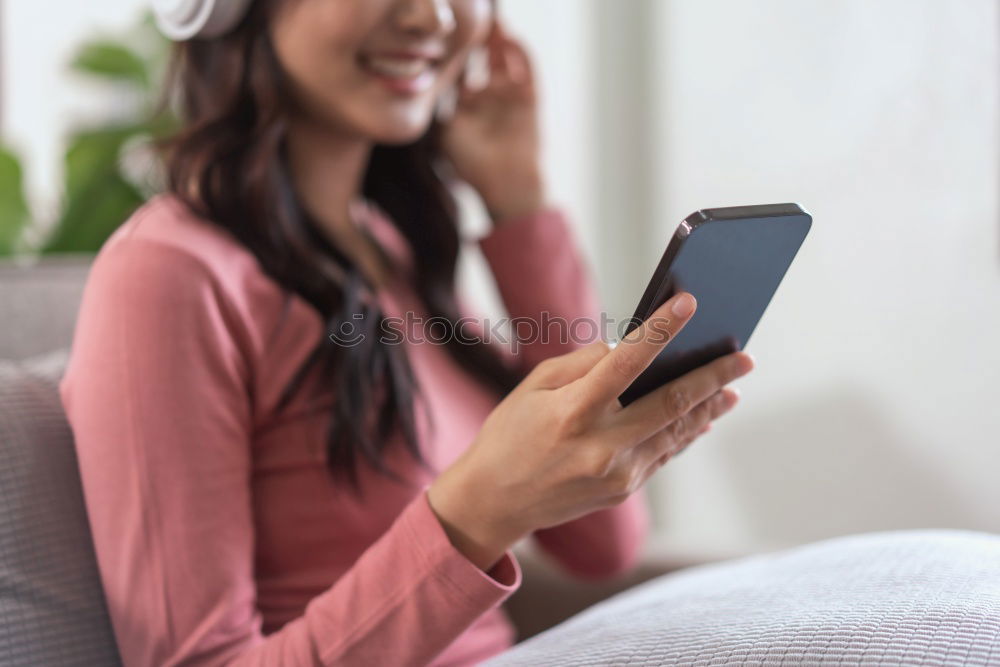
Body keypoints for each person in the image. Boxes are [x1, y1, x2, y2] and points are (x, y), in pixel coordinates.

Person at [59, 0, 754, 664]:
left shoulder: (386, 246)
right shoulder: (168, 275)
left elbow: (601, 542)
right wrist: (479, 508)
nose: (434, 16)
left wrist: (520, 204)